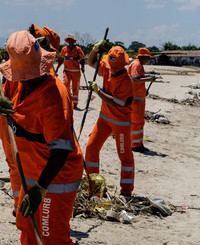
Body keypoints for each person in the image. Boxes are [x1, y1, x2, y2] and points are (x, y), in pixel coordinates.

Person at [0, 31, 85, 245]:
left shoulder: (54, 96)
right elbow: (4, 96)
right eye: (22, 76)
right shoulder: (15, 82)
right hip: (27, 168)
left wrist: (40, 189)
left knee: (51, 233)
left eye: (30, 75)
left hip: (55, 176)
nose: (25, 82)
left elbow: (60, 151)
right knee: (26, 224)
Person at [0, 25, 62, 216]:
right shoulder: (26, 59)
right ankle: (19, 207)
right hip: (11, 118)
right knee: (17, 163)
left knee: (20, 164)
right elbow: (8, 87)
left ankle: (22, 206)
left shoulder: (35, 63)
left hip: (19, 120)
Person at [83, 43, 135, 200]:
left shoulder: (126, 82)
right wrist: (95, 49)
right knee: (91, 148)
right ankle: (95, 188)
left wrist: (98, 91)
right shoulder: (106, 68)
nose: (109, 69)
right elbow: (90, 62)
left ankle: (126, 191)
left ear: (120, 66)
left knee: (124, 155)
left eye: (113, 66)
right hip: (104, 119)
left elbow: (116, 102)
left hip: (120, 122)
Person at [128, 47, 156, 153]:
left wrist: (144, 90)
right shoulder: (136, 64)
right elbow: (135, 79)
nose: (148, 61)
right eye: (148, 58)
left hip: (138, 97)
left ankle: (137, 143)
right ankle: (135, 144)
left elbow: (138, 79)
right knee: (136, 122)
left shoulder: (139, 65)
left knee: (139, 122)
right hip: (135, 98)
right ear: (143, 57)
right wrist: (149, 79)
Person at [55, 33, 86, 110]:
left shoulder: (78, 49)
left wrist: (82, 67)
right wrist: (57, 68)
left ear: (73, 41)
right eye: (69, 40)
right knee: (65, 85)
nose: (70, 41)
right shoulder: (64, 49)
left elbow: (82, 59)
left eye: (71, 40)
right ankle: (67, 101)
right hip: (67, 71)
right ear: (67, 41)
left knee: (75, 88)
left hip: (76, 72)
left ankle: (74, 104)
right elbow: (61, 60)